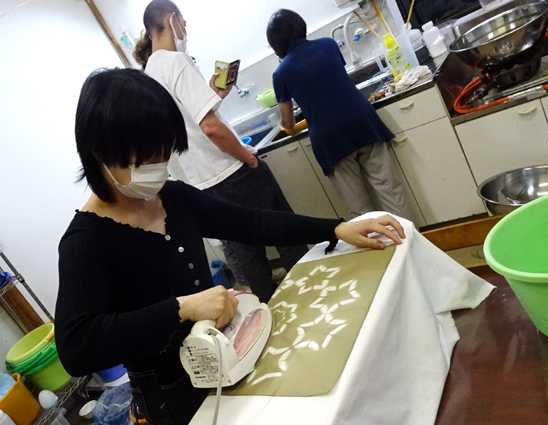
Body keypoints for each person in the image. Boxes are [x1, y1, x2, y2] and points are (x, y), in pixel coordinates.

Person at [54, 68, 405, 425]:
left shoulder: (173, 198)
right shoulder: (86, 241)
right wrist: (181, 308)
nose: (157, 168)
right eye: (144, 160)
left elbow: (252, 223)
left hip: (225, 364)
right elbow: (76, 348)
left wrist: (335, 228)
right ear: (100, 153)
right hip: (172, 401)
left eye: (163, 155)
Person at [132, 0, 304, 302]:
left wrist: (212, 95)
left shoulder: (148, 75)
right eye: (183, 22)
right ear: (172, 21)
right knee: (285, 233)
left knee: (248, 258)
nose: (185, 29)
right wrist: (248, 158)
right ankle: (313, 290)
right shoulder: (176, 62)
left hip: (203, 186)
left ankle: (273, 311)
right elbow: (211, 128)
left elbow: (187, 125)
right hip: (231, 173)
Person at [267, 9, 415, 221]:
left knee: (360, 209)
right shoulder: (329, 44)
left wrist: (294, 123)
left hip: (331, 141)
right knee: (390, 190)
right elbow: (334, 83)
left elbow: (288, 122)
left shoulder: (280, 73)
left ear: (276, 44)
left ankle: (381, 243)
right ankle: (409, 237)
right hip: (362, 122)